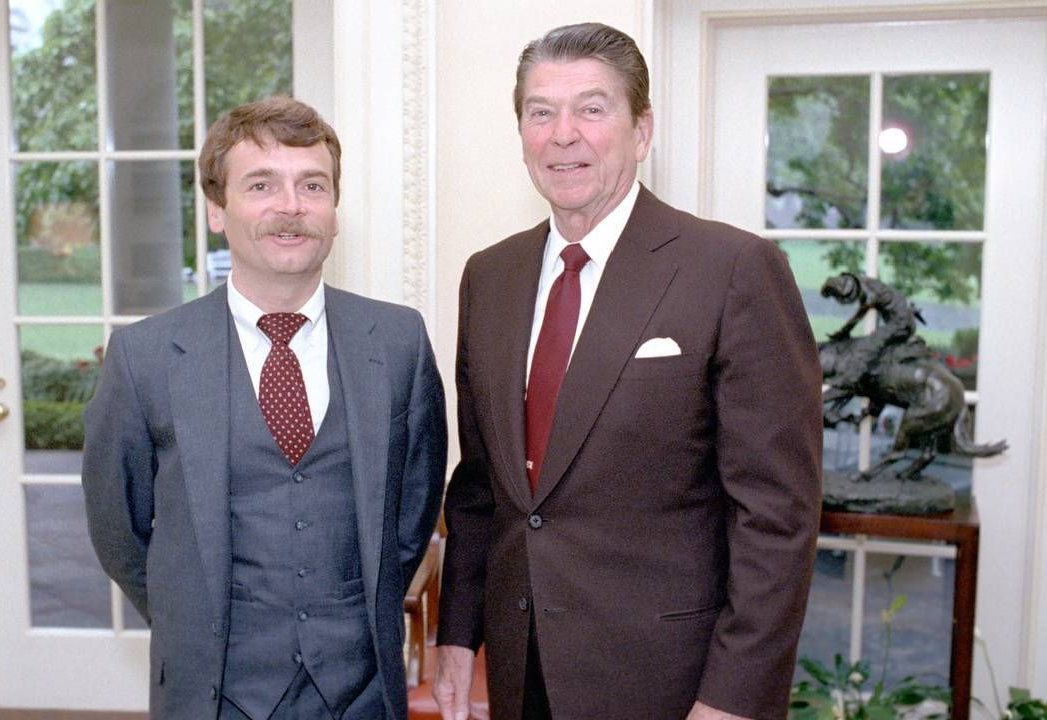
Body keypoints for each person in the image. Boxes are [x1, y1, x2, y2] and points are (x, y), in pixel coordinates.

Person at [433, 23, 823, 720]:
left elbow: (776, 516)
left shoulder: (731, 270)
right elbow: (478, 488)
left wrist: (733, 698)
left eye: (591, 108)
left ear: (641, 131)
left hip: (673, 685)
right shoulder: (489, 277)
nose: (563, 134)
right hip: (523, 672)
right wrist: (457, 634)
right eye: (540, 111)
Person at [82, 96, 447, 720]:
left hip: (362, 690)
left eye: (312, 185)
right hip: (213, 694)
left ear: (334, 210)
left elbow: (412, 515)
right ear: (217, 209)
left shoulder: (397, 342)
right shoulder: (145, 357)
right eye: (261, 185)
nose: (291, 207)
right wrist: (193, 617)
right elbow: (121, 530)